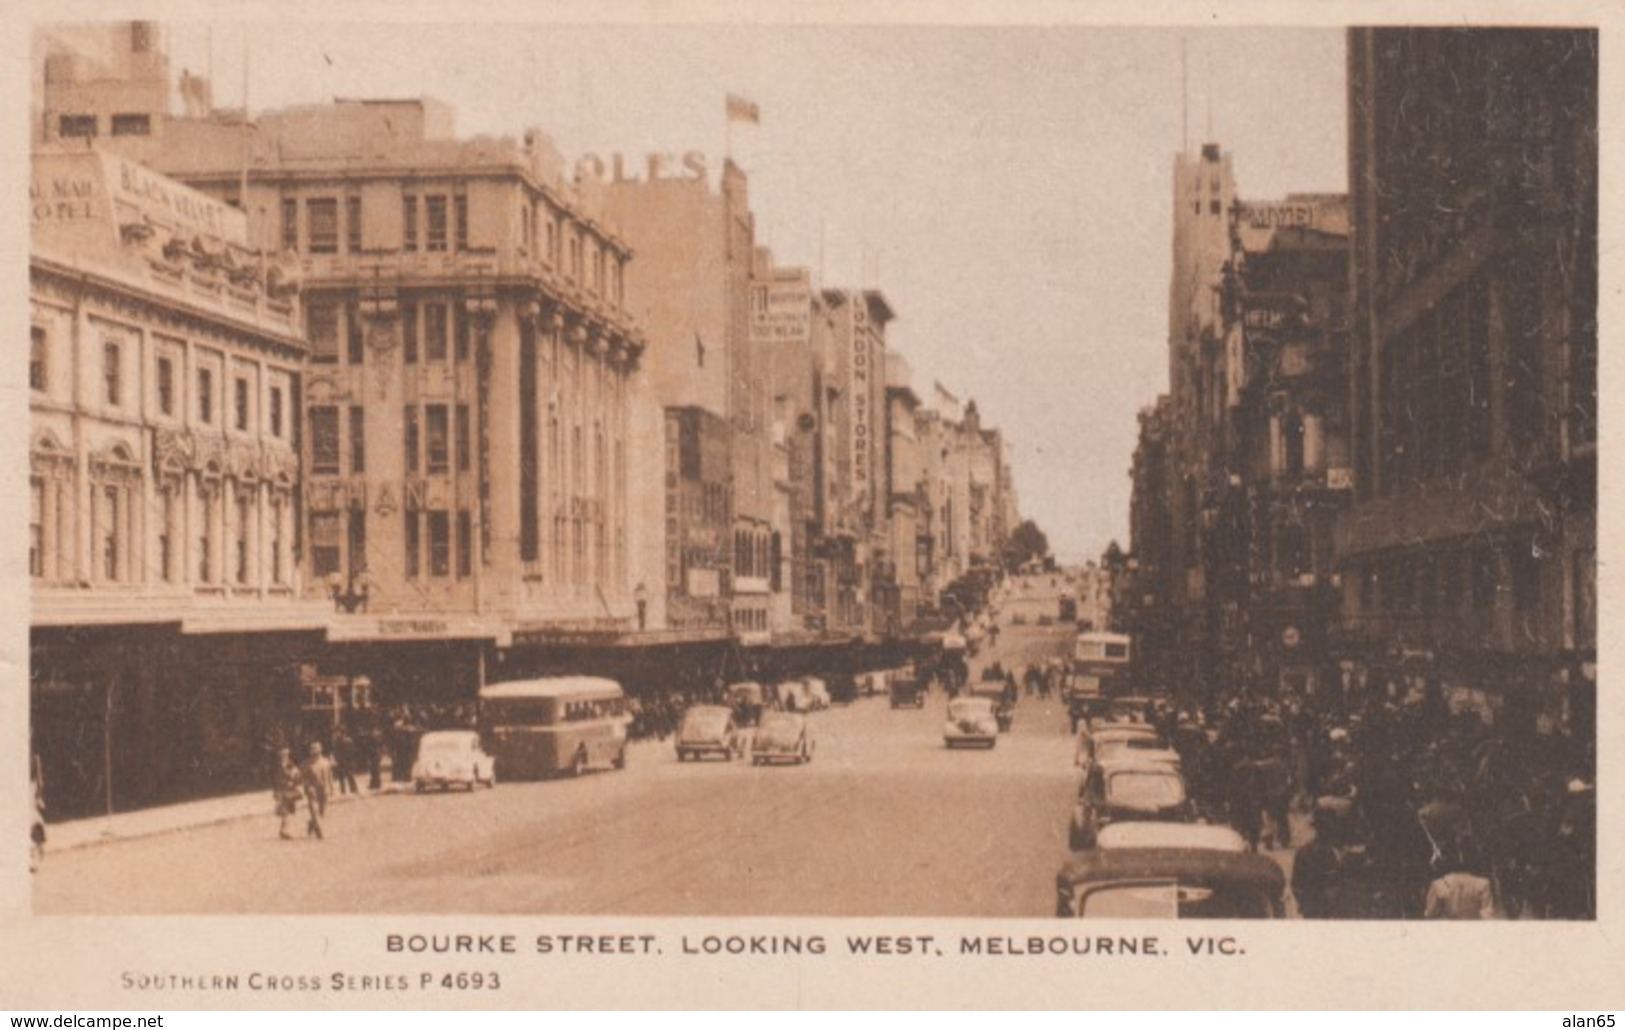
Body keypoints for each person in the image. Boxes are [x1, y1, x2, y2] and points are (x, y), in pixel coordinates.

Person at [302, 742, 335, 840]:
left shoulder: (325, 762)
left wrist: (332, 787)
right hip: (312, 789)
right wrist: (307, 787)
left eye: (315, 748)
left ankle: (312, 823)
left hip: (323, 789)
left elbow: (330, 776)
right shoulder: (306, 763)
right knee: (313, 810)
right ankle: (319, 831)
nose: (313, 750)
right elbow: (304, 778)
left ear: (321, 749)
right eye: (312, 748)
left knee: (322, 811)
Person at [272, 747, 305, 840]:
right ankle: (285, 831)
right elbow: (274, 780)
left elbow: (298, 777)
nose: (283, 757)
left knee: (288, 811)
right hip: (280, 791)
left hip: (290, 791)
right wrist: (275, 791)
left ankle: (282, 830)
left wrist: (293, 782)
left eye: (285, 755)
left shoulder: (291, 765)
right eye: (282, 755)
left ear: (288, 755)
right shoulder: (277, 766)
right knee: (284, 811)